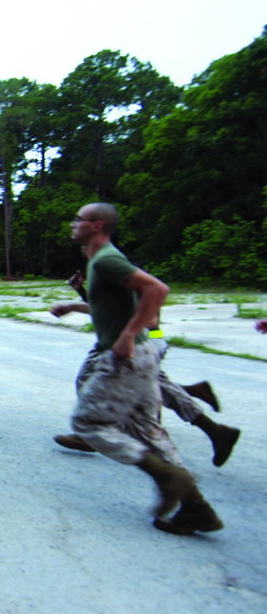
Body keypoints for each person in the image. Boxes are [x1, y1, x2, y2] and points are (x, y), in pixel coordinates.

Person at [49, 202, 222, 535]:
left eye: (78, 220)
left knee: (86, 422)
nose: (72, 224)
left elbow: (157, 290)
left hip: (128, 356)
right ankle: (196, 508)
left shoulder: (108, 259)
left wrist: (128, 335)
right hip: (141, 357)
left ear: (96, 225)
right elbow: (107, 305)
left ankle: (166, 476)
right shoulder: (98, 262)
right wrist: (73, 303)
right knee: (148, 431)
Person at [55, 272, 241, 467]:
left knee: (128, 381)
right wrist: (80, 291)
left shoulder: (133, 285)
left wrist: (74, 306)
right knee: (136, 384)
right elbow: (104, 308)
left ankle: (94, 432)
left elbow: (149, 322)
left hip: (150, 338)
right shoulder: (114, 282)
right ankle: (206, 413)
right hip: (131, 340)